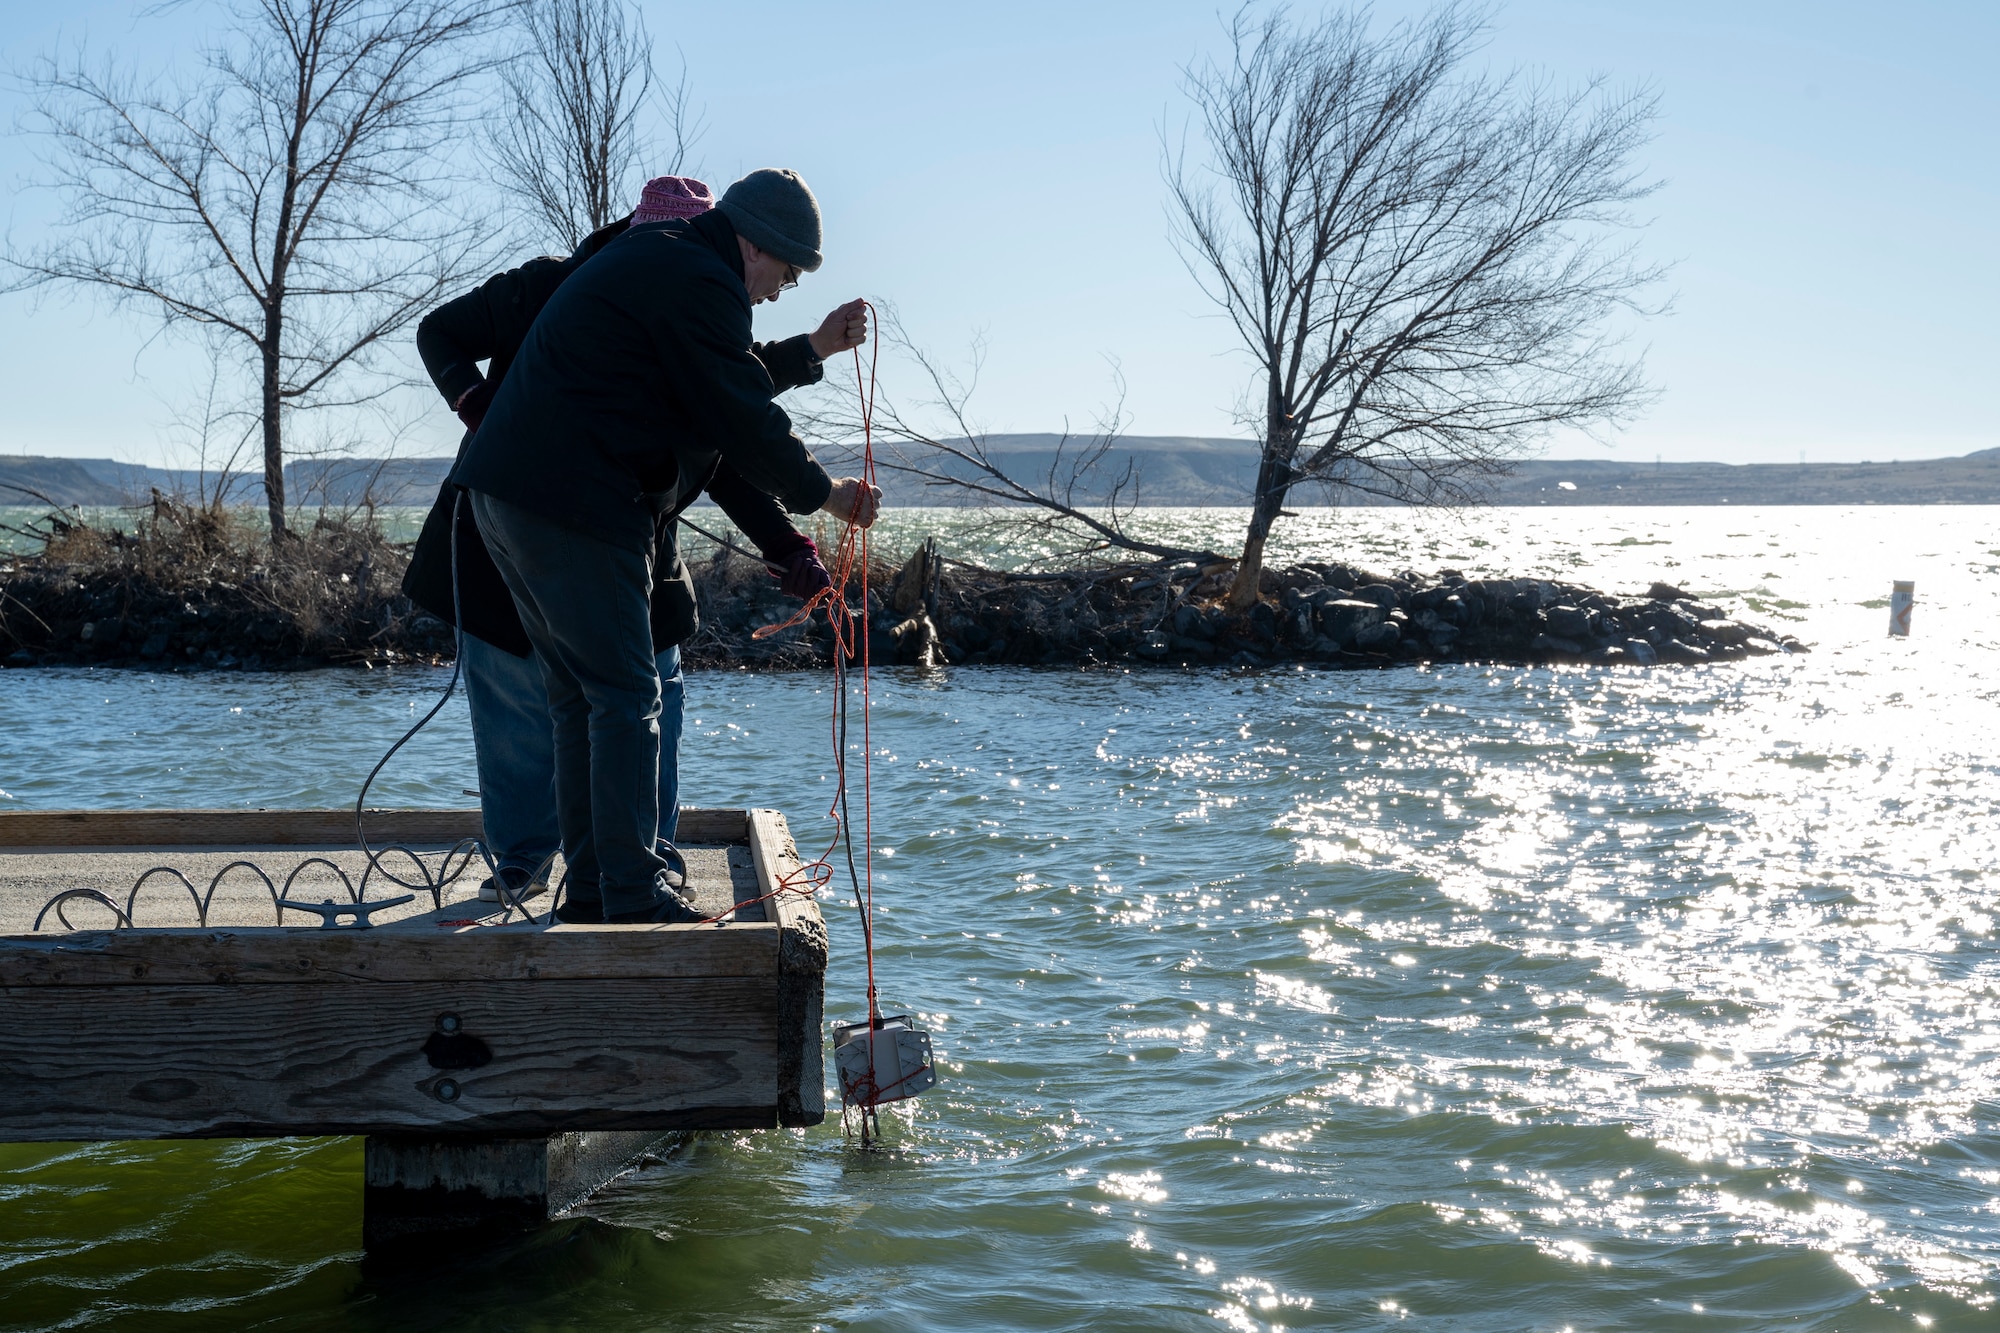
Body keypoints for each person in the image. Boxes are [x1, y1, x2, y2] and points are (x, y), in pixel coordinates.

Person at [404, 174, 862, 907]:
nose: (777, 292)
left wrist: (788, 540)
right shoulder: (698, 277)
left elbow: (722, 414)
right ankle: (631, 889)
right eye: (783, 274)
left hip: (503, 499)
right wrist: (827, 496)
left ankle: (591, 887)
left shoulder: (656, 262)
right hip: (574, 506)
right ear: (753, 245)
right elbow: (742, 416)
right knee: (626, 696)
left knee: (579, 699)